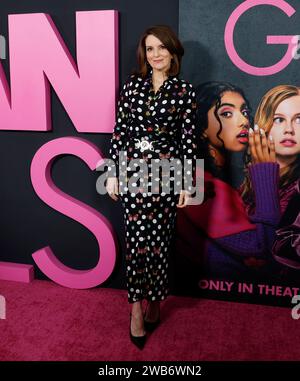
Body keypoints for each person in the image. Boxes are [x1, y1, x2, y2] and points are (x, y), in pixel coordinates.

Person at [106, 25, 197, 349]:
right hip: (132, 174)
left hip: (166, 176)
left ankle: (156, 301)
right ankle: (135, 310)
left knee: (159, 245)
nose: (155, 54)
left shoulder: (184, 90)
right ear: (144, 54)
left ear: (173, 52)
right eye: (150, 49)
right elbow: (120, 131)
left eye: (161, 48)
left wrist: (188, 184)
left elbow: (188, 140)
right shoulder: (132, 87)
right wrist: (113, 172)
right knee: (136, 246)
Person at [175, 83, 300, 290]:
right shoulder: (204, 183)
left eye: (244, 112)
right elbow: (266, 248)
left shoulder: (232, 185)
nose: (243, 121)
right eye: (226, 113)